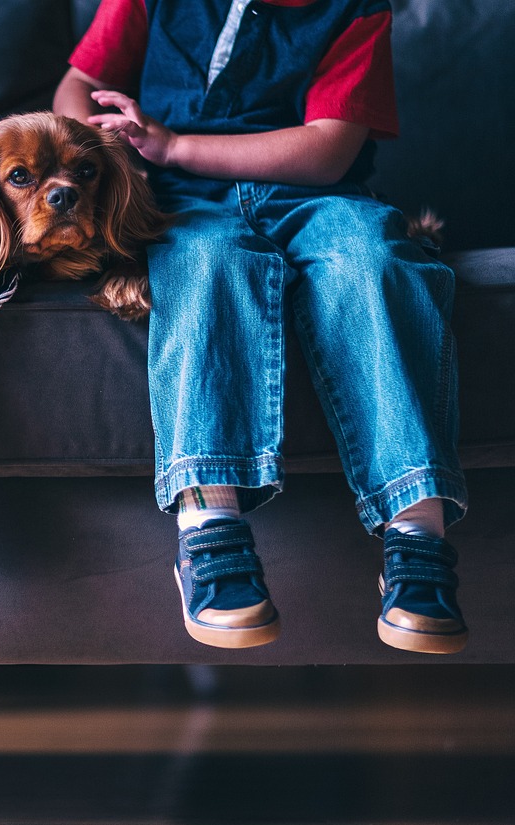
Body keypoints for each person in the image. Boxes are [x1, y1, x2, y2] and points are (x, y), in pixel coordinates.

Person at [53, 0, 469, 654]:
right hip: (184, 201)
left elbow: (327, 151)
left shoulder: (357, 10)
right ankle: (208, 525)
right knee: (205, 266)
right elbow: (79, 82)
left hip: (316, 197)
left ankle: (416, 531)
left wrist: (176, 145)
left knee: (376, 263)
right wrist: (98, 147)